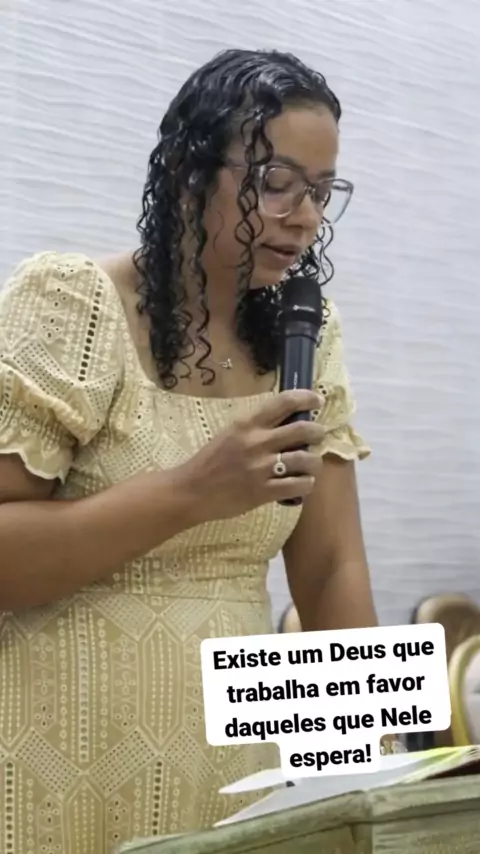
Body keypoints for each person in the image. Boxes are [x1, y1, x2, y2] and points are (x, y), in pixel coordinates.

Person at [0, 49, 378, 853]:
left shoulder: (308, 333)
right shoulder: (73, 304)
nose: (304, 217)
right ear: (185, 171)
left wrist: (362, 778)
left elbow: (330, 567)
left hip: (232, 770)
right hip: (55, 764)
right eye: (276, 182)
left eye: (321, 191)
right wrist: (193, 491)